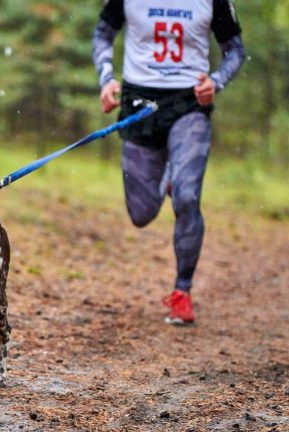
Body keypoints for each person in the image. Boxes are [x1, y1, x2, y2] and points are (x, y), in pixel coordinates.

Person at [91, 0, 246, 324]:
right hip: (138, 106)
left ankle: (182, 292)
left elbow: (235, 50)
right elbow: (103, 35)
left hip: (188, 105)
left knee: (188, 197)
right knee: (141, 213)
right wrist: (107, 79)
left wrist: (215, 82)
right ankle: (170, 175)